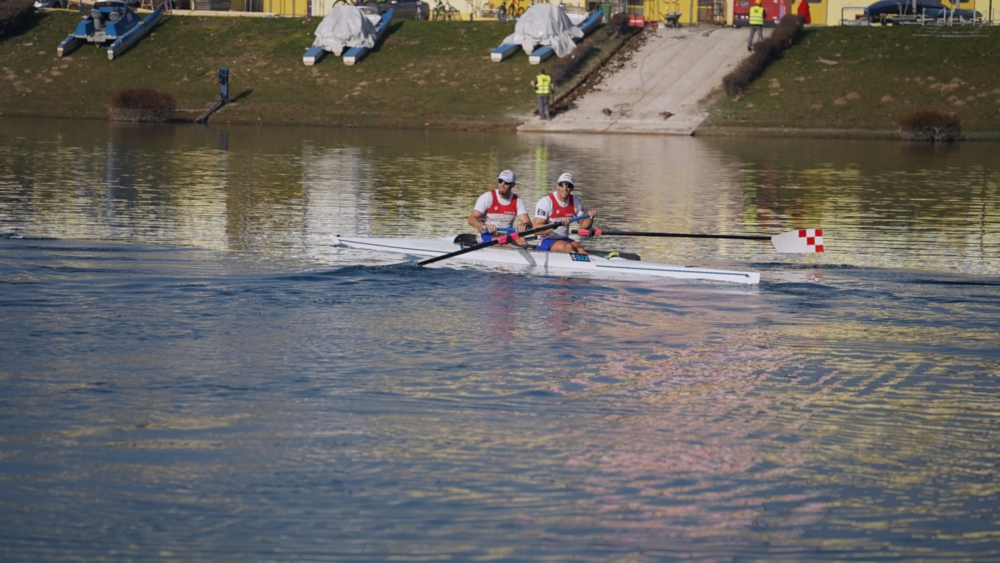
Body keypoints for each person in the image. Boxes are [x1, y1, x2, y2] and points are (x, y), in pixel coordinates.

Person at [532, 172, 597, 254]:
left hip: (564, 239)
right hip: (545, 240)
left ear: (572, 188)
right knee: (569, 247)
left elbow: (584, 225)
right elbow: (536, 230)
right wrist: (556, 224)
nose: (565, 188)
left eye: (568, 185)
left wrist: (590, 218)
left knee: (580, 248)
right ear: (557, 186)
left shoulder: (576, 201)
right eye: (562, 184)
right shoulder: (546, 202)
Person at [468, 169, 531, 245]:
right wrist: (484, 225)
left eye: (506, 182)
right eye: (500, 181)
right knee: (499, 240)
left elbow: (528, 223)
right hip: (486, 233)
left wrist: (524, 225)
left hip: (506, 234)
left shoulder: (517, 200)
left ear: (513, 185)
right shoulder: (488, 197)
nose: (502, 185)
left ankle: (530, 253)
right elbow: (471, 219)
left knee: (521, 239)